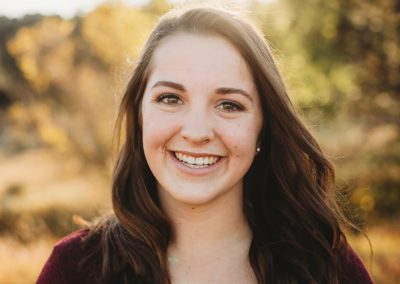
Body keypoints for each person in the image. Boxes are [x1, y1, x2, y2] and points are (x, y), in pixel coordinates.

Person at [37, 5, 374, 284]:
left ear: (264, 127)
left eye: (229, 105)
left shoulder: (326, 268)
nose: (197, 132)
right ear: (139, 114)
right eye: (170, 98)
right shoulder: (75, 269)